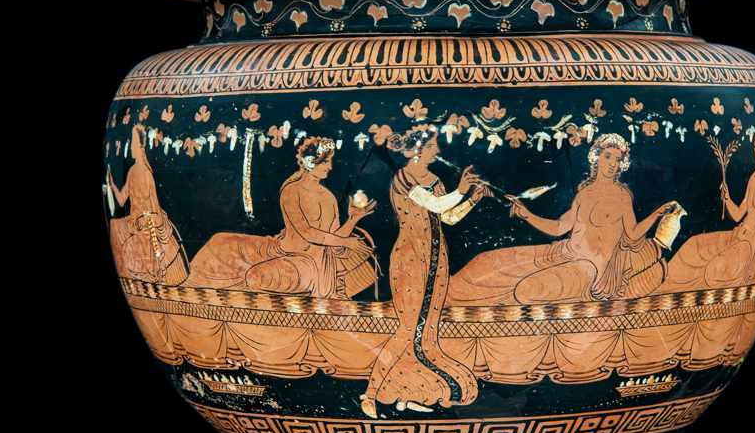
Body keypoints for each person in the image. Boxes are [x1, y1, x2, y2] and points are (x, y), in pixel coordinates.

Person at [446, 133, 676, 306]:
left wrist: (657, 214)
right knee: (491, 261)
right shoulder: (584, 193)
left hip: (591, 271)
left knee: (527, 289)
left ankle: (470, 302)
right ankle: (451, 293)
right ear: (597, 158)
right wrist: (527, 214)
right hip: (565, 252)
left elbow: (633, 234)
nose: (612, 164)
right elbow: (559, 227)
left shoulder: (622, 195)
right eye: (608, 157)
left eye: (617, 159)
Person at [360, 125, 493, 417]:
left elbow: (448, 217)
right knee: (408, 328)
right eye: (433, 146)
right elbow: (433, 203)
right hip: (410, 258)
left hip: (435, 259)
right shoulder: (403, 178)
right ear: (418, 150)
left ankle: (407, 393)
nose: (438, 151)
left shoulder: (434, 180)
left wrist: (473, 198)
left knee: (426, 330)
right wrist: (462, 189)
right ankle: (370, 394)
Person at [184, 137, 375, 297]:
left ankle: (228, 299)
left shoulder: (329, 197)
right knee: (220, 240)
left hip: (308, 263)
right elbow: (307, 232)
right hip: (280, 249)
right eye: (325, 162)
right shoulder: (292, 190)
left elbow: (334, 237)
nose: (330, 167)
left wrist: (353, 219)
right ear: (310, 162)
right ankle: (191, 287)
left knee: (255, 277)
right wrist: (346, 242)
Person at [656, 128, 755, 292]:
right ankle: (663, 281)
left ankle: (674, 289)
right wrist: (727, 198)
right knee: (694, 243)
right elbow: (738, 215)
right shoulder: (754, 178)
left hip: (748, 243)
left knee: (714, 269)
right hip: (740, 234)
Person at [107, 123, 188, 284]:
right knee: (114, 225)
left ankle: (154, 272)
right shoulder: (132, 171)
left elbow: (153, 206)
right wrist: (112, 185)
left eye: (134, 144)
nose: (131, 147)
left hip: (147, 220)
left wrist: (148, 221)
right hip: (137, 220)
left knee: (121, 231)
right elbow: (122, 201)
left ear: (140, 147)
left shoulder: (145, 173)